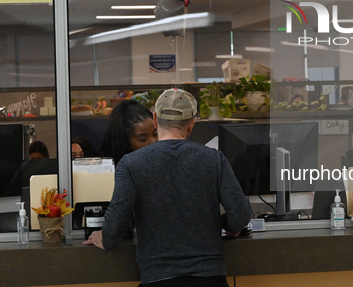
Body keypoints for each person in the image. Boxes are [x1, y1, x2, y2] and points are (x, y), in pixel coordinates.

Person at [84, 89, 252, 287]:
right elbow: (240, 215)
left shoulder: (131, 164)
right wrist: (224, 224)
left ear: (155, 118)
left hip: (158, 278)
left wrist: (104, 237)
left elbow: (117, 221)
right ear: (192, 123)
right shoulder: (214, 159)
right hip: (210, 279)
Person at [98, 100, 158, 165]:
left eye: (156, 134)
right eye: (143, 139)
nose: (153, 142)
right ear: (126, 142)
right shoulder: (113, 169)